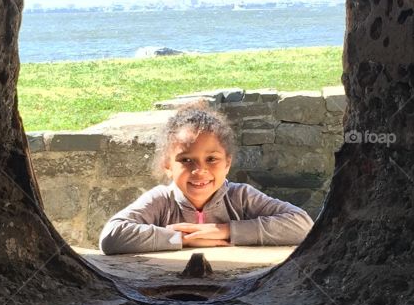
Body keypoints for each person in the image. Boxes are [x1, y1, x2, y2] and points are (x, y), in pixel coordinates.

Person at [98, 103, 315, 255]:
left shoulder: (240, 197)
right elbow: (112, 236)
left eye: (211, 159)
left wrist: (225, 231)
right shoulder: (161, 200)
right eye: (186, 160)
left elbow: (302, 225)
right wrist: (182, 239)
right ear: (168, 165)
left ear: (227, 163)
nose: (200, 170)